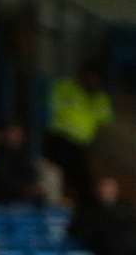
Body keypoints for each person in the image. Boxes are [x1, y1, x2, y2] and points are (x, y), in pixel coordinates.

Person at [43, 62, 113, 204]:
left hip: (82, 144)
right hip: (60, 138)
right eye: (89, 76)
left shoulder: (100, 98)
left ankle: (79, 201)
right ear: (82, 75)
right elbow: (50, 107)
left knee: (82, 175)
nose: (92, 80)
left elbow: (106, 124)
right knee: (58, 172)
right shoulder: (65, 87)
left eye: (96, 78)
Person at [72, 177, 136, 255]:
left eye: (110, 190)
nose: (107, 192)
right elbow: (77, 231)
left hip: (127, 250)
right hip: (103, 251)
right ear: (97, 191)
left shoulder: (127, 209)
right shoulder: (87, 210)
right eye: (104, 189)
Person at [0, 123, 43, 205]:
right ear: (5, 134)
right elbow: (0, 181)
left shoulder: (23, 154)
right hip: (2, 198)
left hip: (22, 199)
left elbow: (30, 174)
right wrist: (23, 189)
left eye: (19, 134)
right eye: (13, 133)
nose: (16, 136)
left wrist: (32, 188)